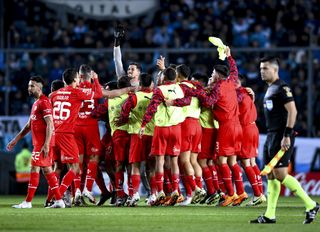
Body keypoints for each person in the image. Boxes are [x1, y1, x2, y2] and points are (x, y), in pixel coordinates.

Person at [250, 56, 319, 224]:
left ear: (275, 69)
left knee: (280, 174)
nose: (262, 72)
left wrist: (287, 135)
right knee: (272, 175)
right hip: (271, 136)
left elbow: (293, 111)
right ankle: (269, 215)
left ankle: (311, 204)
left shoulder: (282, 88)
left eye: (265, 68)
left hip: (281, 136)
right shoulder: (270, 88)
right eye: (260, 69)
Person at [8, 76, 65, 209]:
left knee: (35, 168)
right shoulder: (36, 103)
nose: (29, 88)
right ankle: (59, 200)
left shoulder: (44, 102)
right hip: (41, 143)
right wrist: (15, 140)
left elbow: (50, 124)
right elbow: (29, 125)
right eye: (29, 85)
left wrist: (45, 144)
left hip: (42, 143)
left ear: (39, 87)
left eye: (32, 86)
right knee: (47, 171)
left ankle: (28, 202)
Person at [116, 73, 155, 206]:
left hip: (136, 134)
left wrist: (121, 121)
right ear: (151, 84)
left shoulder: (134, 97)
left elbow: (124, 112)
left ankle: (135, 194)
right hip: (153, 134)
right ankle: (153, 195)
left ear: (140, 84)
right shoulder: (155, 96)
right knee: (152, 167)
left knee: (136, 165)